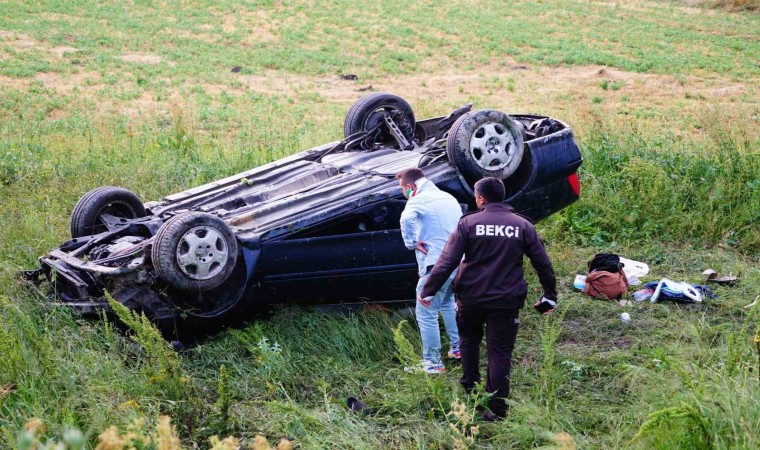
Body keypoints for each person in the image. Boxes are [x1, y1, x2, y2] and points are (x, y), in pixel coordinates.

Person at [420, 177, 557, 420]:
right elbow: (542, 263)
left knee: (469, 342)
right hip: (506, 301)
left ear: (481, 198)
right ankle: (497, 408)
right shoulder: (522, 226)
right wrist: (550, 296)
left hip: (470, 298)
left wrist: (428, 290)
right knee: (500, 351)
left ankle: (472, 392)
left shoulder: (468, 223)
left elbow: (447, 261)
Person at [397, 168, 462, 374]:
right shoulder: (447, 197)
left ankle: (433, 363)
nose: (403, 193)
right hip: (457, 263)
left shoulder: (419, 199)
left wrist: (411, 243)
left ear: (410, 186)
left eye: (402, 189)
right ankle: (458, 349)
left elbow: (406, 219)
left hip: (436, 265)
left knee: (426, 312)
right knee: (447, 303)